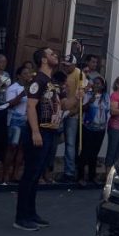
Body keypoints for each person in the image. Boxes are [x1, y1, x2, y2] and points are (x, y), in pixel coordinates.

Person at [15, 47, 58, 231]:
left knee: (37, 175)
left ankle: (31, 213)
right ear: (44, 60)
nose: (55, 55)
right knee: (30, 174)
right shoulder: (38, 80)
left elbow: (60, 105)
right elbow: (31, 106)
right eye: (51, 54)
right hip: (39, 131)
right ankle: (21, 217)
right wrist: (35, 131)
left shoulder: (50, 82)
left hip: (49, 131)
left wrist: (76, 97)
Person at [1, 62, 31, 184]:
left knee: (22, 148)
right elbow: (10, 104)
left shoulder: (31, 89)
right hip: (15, 119)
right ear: (19, 76)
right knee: (12, 147)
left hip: (25, 119)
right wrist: (22, 94)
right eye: (25, 73)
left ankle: (16, 174)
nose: (27, 75)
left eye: (28, 73)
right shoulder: (13, 88)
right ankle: (5, 174)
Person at [60, 54, 85, 183]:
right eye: (64, 65)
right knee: (56, 141)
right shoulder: (62, 73)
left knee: (70, 143)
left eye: (67, 65)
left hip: (72, 114)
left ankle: (69, 172)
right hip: (59, 111)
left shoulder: (79, 74)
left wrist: (72, 111)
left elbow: (80, 95)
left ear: (74, 65)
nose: (65, 67)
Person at [79, 77, 109, 184]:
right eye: (95, 83)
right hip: (88, 127)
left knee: (95, 153)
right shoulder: (88, 95)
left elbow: (107, 110)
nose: (96, 85)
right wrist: (90, 101)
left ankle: (92, 176)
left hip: (100, 129)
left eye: (99, 83)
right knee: (85, 152)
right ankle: (81, 177)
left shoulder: (106, 96)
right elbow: (83, 109)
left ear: (103, 85)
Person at [41, 71, 66, 182]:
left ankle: (47, 174)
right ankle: (40, 175)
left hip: (56, 124)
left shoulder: (61, 92)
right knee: (44, 151)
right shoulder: (48, 90)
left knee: (52, 150)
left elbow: (64, 105)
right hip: (46, 123)